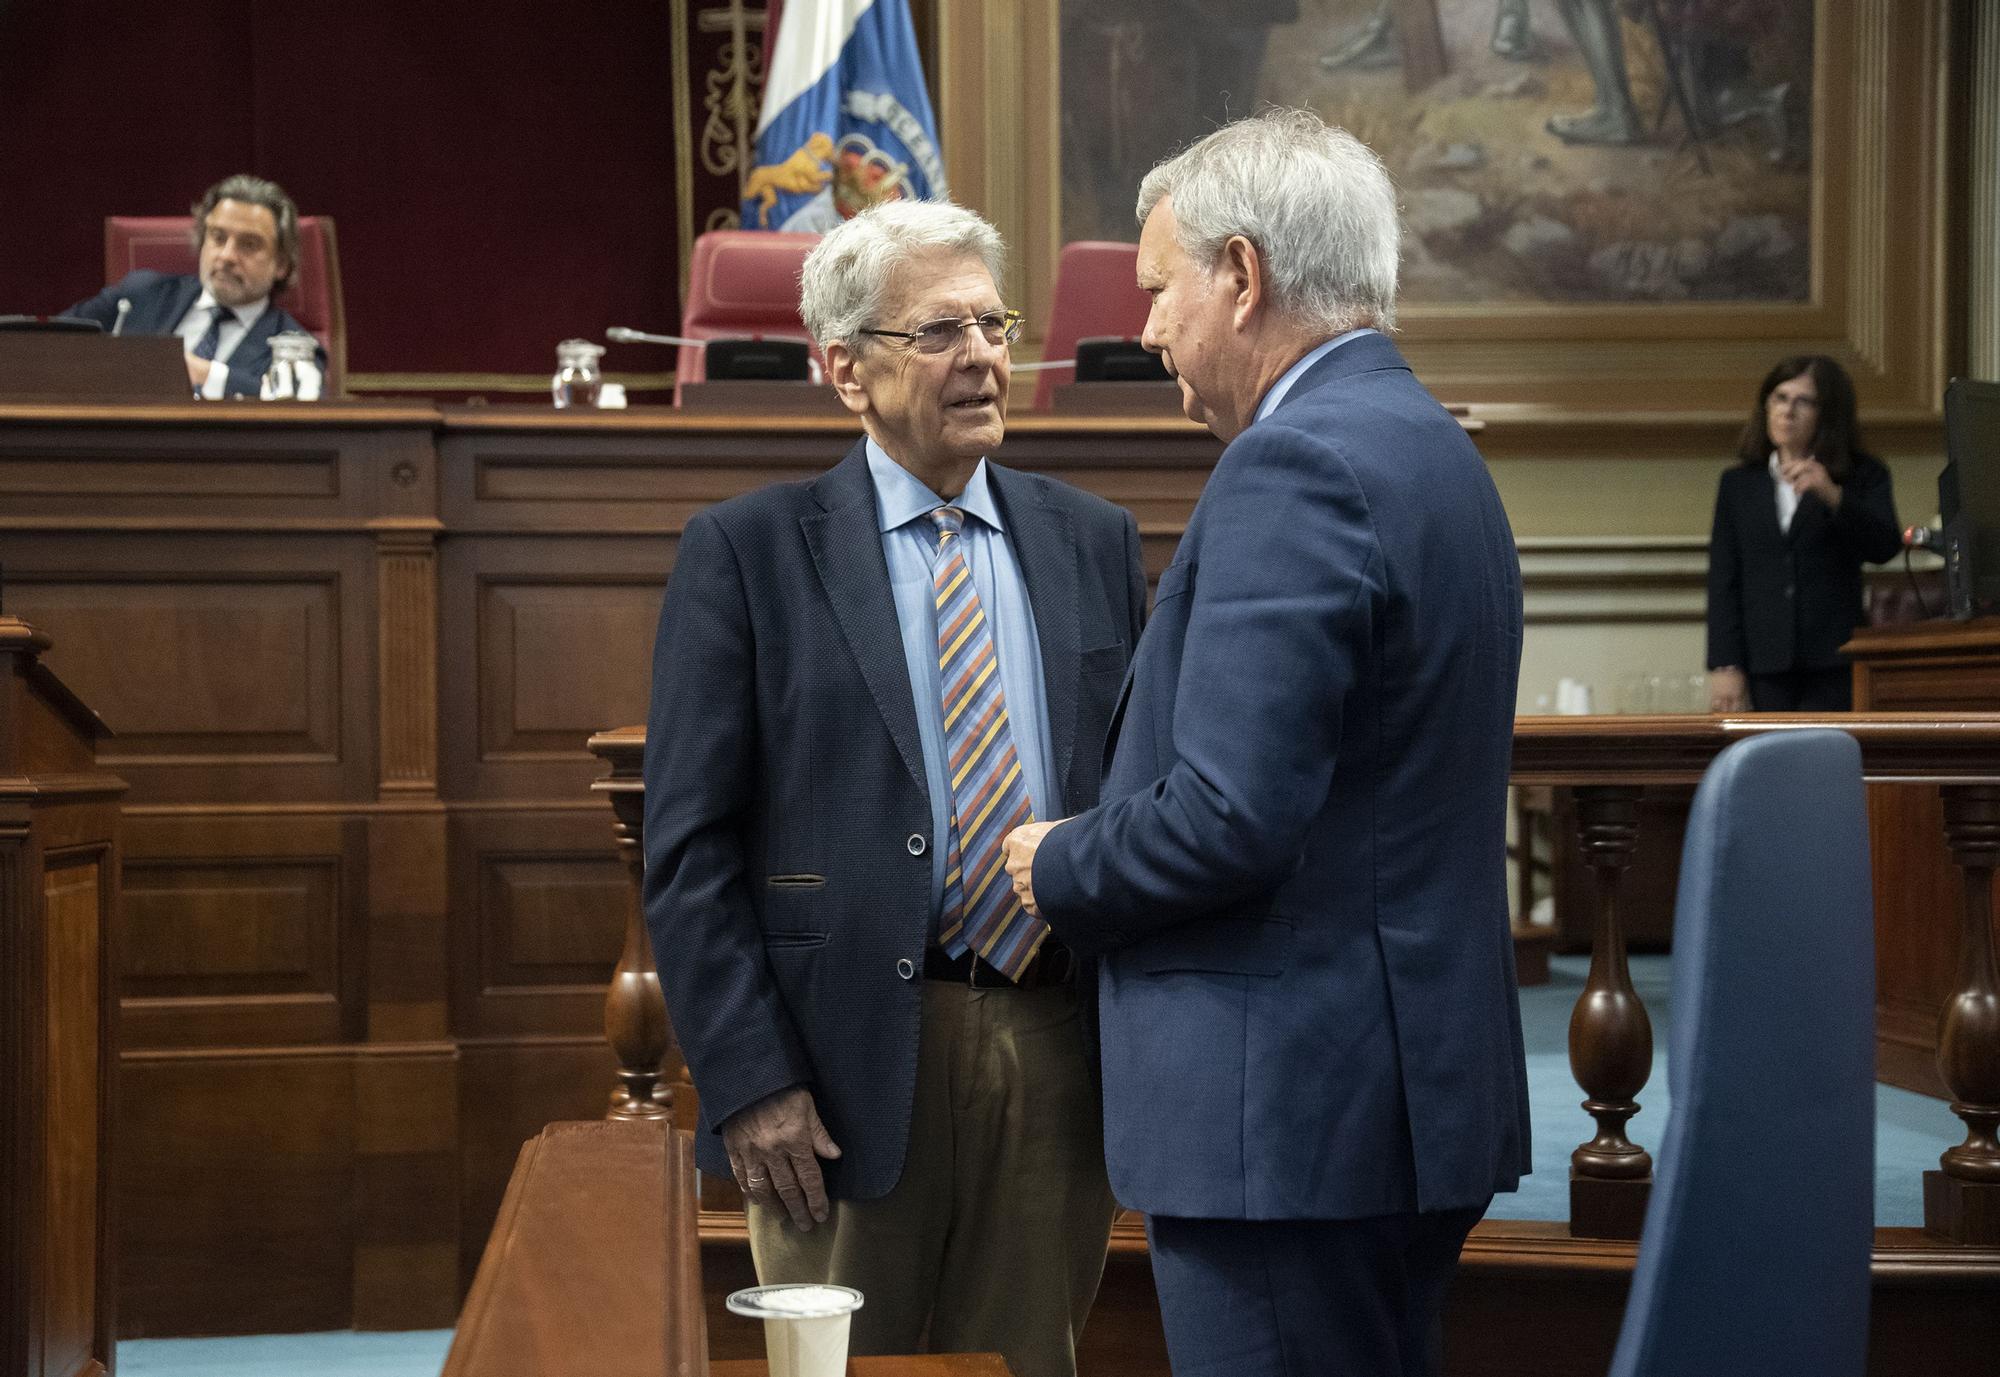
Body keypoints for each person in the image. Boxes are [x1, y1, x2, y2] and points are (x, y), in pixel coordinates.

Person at [1003, 109, 1531, 1377]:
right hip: (1390, 1100)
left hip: (1284, 1125)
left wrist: (1056, 863)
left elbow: (1229, 818)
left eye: (1156, 289)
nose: (1144, 331)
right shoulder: (1429, 447)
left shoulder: (1290, 464)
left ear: (1240, 278)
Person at [641, 199, 1145, 1377]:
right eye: (937, 332)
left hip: (1052, 1051)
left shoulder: (1093, 542)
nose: (980, 355)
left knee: (1025, 1364)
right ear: (844, 370)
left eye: (990, 322)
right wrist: (750, 1079)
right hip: (837, 1078)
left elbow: (1132, 792)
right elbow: (687, 848)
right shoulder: (747, 553)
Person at [1706, 355, 1900, 712]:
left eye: (1803, 401)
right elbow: (1724, 580)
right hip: (1764, 662)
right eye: (1779, 398)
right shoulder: (1738, 484)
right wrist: (1725, 664)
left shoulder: (1862, 475)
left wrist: (1833, 496)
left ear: (1827, 414)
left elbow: (1884, 546)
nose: (1787, 411)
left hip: (1834, 660)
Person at [64, 174, 325, 398]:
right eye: (218, 237)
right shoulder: (139, 294)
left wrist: (206, 375)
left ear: (281, 263)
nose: (227, 256)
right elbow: (48, 348)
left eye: (248, 244)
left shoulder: (296, 348)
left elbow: (299, 406)